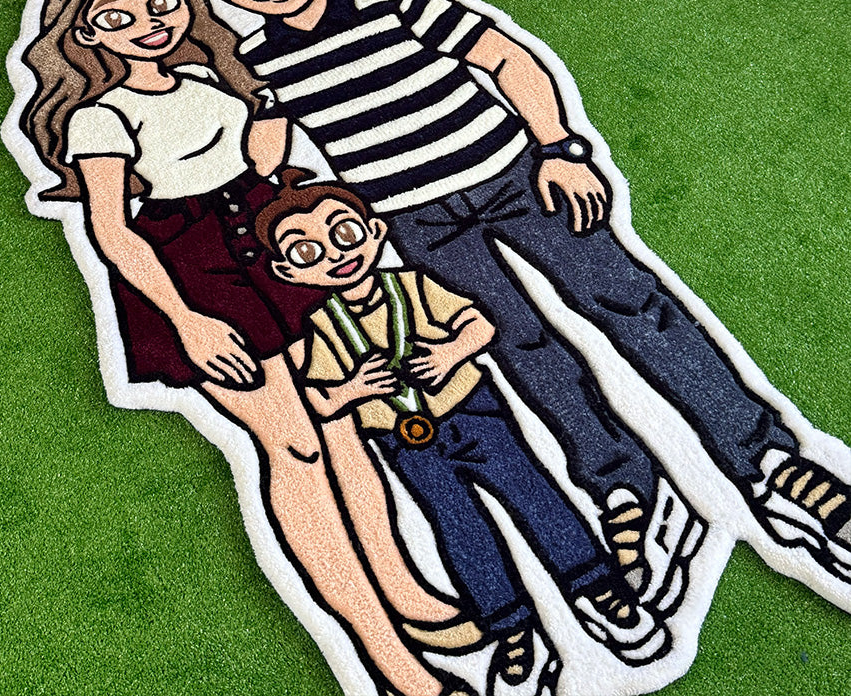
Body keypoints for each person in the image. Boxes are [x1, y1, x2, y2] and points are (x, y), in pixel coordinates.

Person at [180, 0, 851, 597]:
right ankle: (623, 488)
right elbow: (269, 141)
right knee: (516, 345)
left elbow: (505, 56)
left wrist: (561, 147)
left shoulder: (397, 2)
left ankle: (766, 461)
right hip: (416, 222)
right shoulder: (258, 62)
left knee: (630, 302)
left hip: (517, 177)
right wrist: (255, 144)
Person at [15, 0, 480, 696]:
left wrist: (265, 124)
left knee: (343, 429)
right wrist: (187, 321)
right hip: (194, 276)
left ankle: (405, 591)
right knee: (295, 447)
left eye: (161, 4)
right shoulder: (101, 117)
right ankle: (386, 654)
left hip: (273, 254)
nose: (147, 24)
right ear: (89, 35)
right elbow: (114, 230)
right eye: (118, 18)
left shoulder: (206, 79)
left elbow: (256, 168)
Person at [255, 168, 676, 694]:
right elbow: (318, 398)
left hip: (472, 412)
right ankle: (512, 628)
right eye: (307, 252)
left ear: (375, 230)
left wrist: (450, 352)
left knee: (533, 494)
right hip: (403, 440)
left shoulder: (413, 285)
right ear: (288, 272)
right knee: (459, 529)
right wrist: (353, 389)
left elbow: (480, 324)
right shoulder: (323, 327)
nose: (336, 254)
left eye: (344, 233)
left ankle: (596, 588)